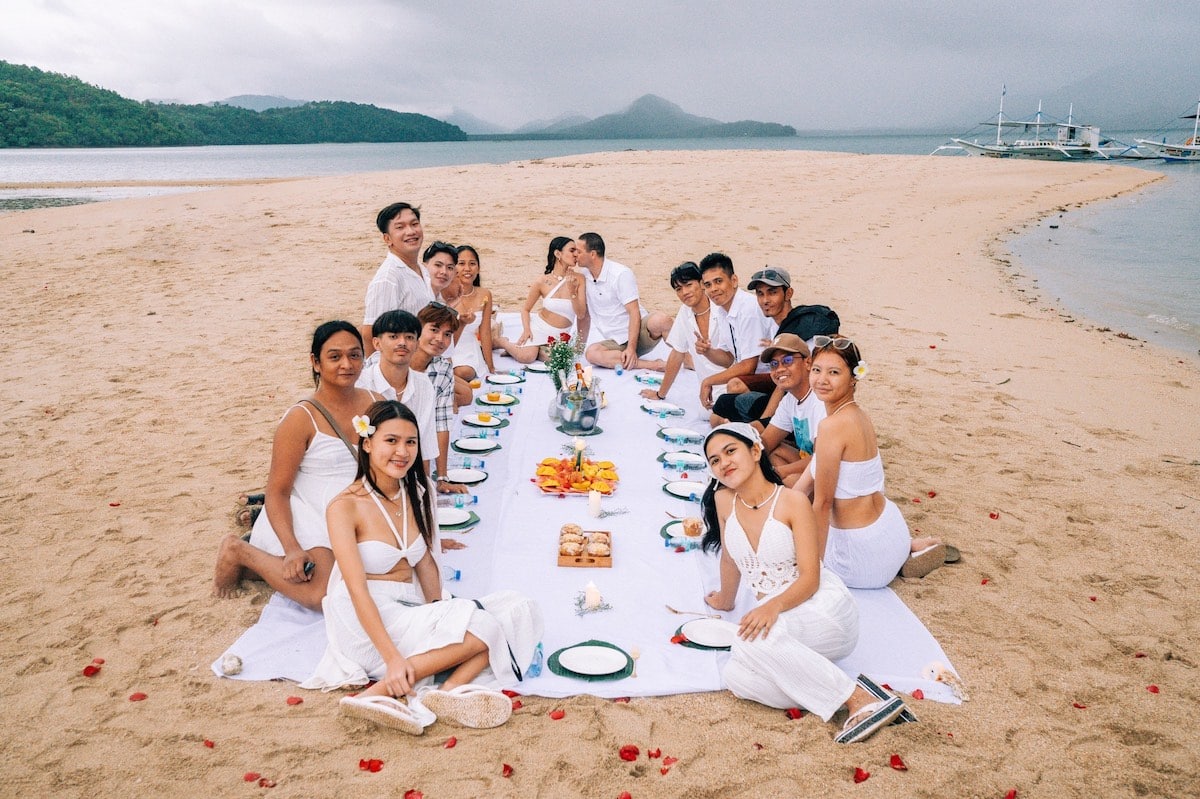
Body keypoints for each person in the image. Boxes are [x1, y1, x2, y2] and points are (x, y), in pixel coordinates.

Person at [301, 401, 541, 734]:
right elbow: (356, 589)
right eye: (391, 441)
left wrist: (442, 614)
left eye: (410, 442)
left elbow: (425, 561)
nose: (402, 451)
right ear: (367, 443)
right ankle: (380, 690)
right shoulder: (344, 506)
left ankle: (444, 695)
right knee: (486, 626)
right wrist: (392, 659)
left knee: (519, 609)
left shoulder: (416, 491)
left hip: (409, 606)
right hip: (364, 616)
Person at [698, 423, 908, 743]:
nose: (723, 462)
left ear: (755, 451)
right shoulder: (724, 501)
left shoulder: (793, 502)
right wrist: (726, 599)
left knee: (746, 643)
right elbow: (730, 555)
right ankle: (832, 684)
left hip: (821, 608)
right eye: (714, 460)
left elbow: (811, 578)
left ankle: (858, 699)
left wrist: (771, 606)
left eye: (730, 451)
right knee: (736, 675)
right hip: (784, 621)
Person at [213, 321, 381, 610]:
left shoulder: (376, 403)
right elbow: (277, 492)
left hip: (360, 507)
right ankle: (238, 550)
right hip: (310, 511)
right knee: (324, 595)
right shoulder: (300, 418)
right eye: (334, 356)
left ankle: (261, 566)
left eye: (355, 355)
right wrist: (292, 549)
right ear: (315, 363)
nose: (346, 364)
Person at [801, 336, 946, 585]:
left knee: (792, 556)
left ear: (854, 377)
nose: (822, 379)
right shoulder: (859, 415)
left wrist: (813, 570)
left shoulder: (832, 426)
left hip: (863, 556)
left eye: (834, 372)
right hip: (889, 529)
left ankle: (900, 556)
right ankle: (906, 550)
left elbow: (823, 503)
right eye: (817, 370)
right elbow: (805, 482)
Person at [355, 310, 440, 482]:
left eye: (409, 337)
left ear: (417, 344)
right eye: (393, 337)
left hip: (407, 474)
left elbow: (425, 444)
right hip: (365, 474)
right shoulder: (361, 384)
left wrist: (423, 491)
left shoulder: (424, 385)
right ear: (377, 343)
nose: (402, 343)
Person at [638, 262, 732, 407]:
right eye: (679, 289)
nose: (684, 292)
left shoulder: (722, 308)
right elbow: (677, 353)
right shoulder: (685, 312)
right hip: (708, 390)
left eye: (688, 285)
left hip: (733, 382)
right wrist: (660, 394)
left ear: (701, 283)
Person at [575, 232, 670, 371]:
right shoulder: (582, 277)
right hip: (616, 342)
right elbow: (584, 316)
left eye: (578, 251)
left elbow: (634, 312)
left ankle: (685, 359)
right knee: (591, 354)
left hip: (639, 333)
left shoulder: (620, 274)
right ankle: (654, 365)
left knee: (662, 320)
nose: (575, 255)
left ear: (593, 254)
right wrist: (579, 347)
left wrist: (631, 348)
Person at [698, 253, 770, 418]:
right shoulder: (723, 310)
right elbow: (728, 359)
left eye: (718, 281)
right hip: (753, 377)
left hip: (770, 375)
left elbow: (748, 366)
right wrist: (707, 351)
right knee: (715, 419)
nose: (713, 289)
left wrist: (708, 381)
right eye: (708, 285)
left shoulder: (748, 309)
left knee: (734, 386)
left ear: (734, 280)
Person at [717, 267, 796, 418]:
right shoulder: (776, 325)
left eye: (772, 292)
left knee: (732, 397)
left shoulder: (796, 326)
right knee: (720, 411)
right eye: (760, 294)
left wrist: (763, 423)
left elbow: (785, 381)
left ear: (788, 293)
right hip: (779, 384)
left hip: (794, 394)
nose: (765, 300)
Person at [496, 236, 588, 364]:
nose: (576, 254)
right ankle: (502, 342)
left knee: (561, 361)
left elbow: (581, 314)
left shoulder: (580, 279)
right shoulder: (542, 281)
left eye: (577, 251)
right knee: (527, 358)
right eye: (572, 250)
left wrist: (573, 292)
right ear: (558, 254)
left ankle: (530, 349)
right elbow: (525, 309)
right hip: (539, 328)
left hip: (560, 336)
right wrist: (527, 329)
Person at [362, 203, 433, 358]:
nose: (411, 231)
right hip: (400, 368)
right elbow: (370, 334)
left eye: (414, 224)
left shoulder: (422, 269)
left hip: (423, 362)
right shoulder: (388, 278)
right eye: (400, 227)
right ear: (387, 239)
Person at [411, 302, 468, 488]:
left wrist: (442, 477)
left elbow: (441, 423)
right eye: (434, 330)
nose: (440, 339)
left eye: (447, 334)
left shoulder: (442, 369)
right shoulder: (393, 360)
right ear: (418, 329)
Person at [756, 334, 826, 486]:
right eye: (774, 364)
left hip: (831, 474)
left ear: (808, 363)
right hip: (811, 462)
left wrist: (780, 472)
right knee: (771, 451)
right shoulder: (790, 399)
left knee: (789, 481)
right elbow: (767, 441)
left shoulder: (820, 400)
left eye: (787, 361)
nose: (779, 369)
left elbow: (822, 460)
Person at [449, 244, 496, 380]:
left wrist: (490, 366)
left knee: (464, 372)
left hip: (468, 348)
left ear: (478, 268)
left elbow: (485, 331)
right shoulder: (444, 292)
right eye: (461, 263)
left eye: (472, 264)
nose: (467, 269)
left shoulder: (485, 294)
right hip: (446, 345)